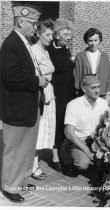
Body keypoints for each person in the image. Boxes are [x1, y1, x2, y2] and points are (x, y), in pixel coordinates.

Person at [0, 4, 49, 203]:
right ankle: (9, 185)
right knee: (15, 147)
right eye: (32, 23)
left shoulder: (24, 42)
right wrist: (37, 81)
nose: (35, 28)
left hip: (29, 106)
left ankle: (20, 181)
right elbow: (10, 76)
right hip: (17, 107)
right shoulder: (11, 44)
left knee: (27, 147)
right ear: (21, 22)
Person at [64, 74, 109, 175]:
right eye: (93, 88)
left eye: (98, 87)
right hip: (79, 141)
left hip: (98, 141)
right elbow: (69, 133)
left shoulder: (104, 103)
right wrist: (87, 151)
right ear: (84, 89)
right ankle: (75, 161)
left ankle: (96, 165)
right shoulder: (73, 105)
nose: (97, 91)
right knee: (83, 164)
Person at [47, 18, 75, 172]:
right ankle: (55, 157)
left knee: (66, 122)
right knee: (57, 124)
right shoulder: (50, 50)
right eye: (66, 34)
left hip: (68, 93)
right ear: (57, 35)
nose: (69, 37)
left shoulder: (65, 49)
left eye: (70, 34)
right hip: (57, 94)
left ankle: (62, 152)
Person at [31, 19, 55, 180]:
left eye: (52, 34)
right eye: (47, 34)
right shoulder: (33, 50)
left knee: (43, 132)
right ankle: (32, 167)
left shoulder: (45, 50)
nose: (51, 37)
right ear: (38, 34)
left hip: (49, 93)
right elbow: (33, 75)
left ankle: (35, 164)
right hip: (40, 93)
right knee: (37, 132)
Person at [73, 27, 110, 99]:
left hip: (101, 92)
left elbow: (109, 74)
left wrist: (108, 90)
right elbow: (76, 75)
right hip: (85, 92)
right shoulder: (80, 56)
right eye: (90, 41)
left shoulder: (104, 56)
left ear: (100, 40)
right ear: (86, 41)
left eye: (95, 40)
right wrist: (77, 91)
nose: (93, 43)